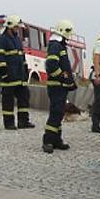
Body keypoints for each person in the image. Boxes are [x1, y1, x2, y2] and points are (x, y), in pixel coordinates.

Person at [43, 19, 77, 153]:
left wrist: (69, 80)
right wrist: (62, 76)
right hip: (56, 85)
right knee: (56, 112)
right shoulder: (55, 45)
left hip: (60, 85)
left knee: (59, 112)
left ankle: (57, 140)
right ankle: (48, 140)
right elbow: (51, 64)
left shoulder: (59, 44)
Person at [0, 15, 34, 130]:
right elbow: (0, 58)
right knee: (8, 101)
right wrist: (4, 73)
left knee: (24, 98)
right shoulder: (1, 40)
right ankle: (9, 123)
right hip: (9, 77)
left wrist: (26, 71)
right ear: (10, 26)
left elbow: (21, 56)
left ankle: (23, 121)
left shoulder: (17, 39)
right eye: (16, 27)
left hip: (20, 76)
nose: (18, 29)